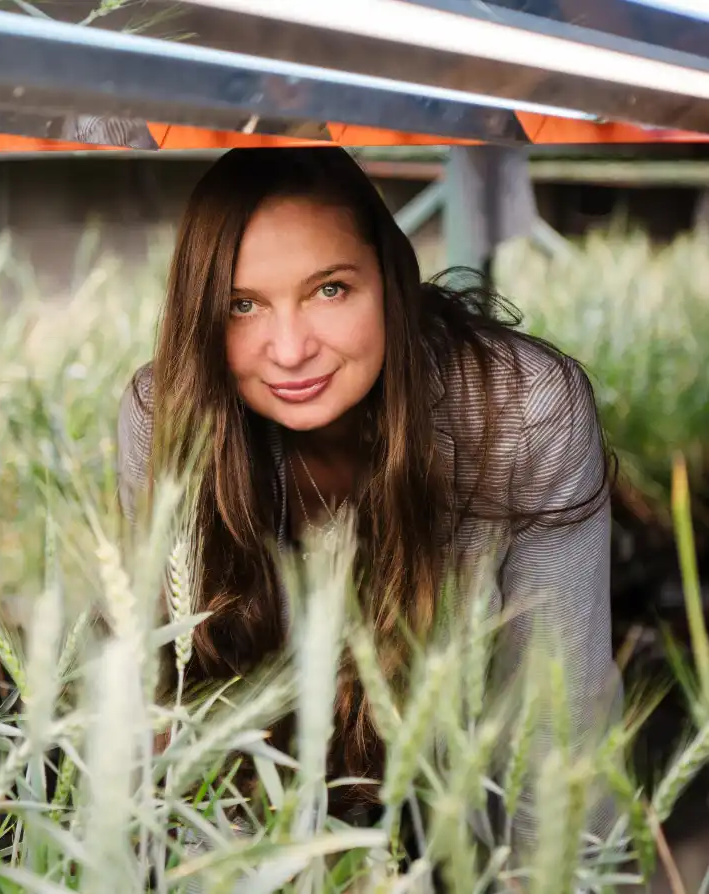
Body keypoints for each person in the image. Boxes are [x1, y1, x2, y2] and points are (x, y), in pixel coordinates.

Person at [116, 145, 619, 845]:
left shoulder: (519, 412)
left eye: (329, 290)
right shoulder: (168, 416)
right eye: (242, 305)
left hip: (459, 816)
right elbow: (170, 699)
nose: (290, 349)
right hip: (251, 826)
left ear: (389, 279)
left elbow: (558, 717)